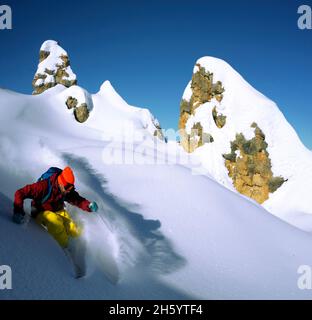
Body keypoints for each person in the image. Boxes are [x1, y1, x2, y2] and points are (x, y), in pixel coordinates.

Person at [13, 166, 98, 249]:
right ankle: (63, 250)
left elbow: (77, 200)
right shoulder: (43, 186)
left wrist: (89, 206)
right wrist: (18, 211)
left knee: (74, 230)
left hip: (57, 210)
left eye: (71, 188)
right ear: (61, 183)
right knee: (56, 223)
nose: (69, 190)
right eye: (68, 187)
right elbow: (20, 193)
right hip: (40, 212)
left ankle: (76, 249)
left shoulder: (66, 191)